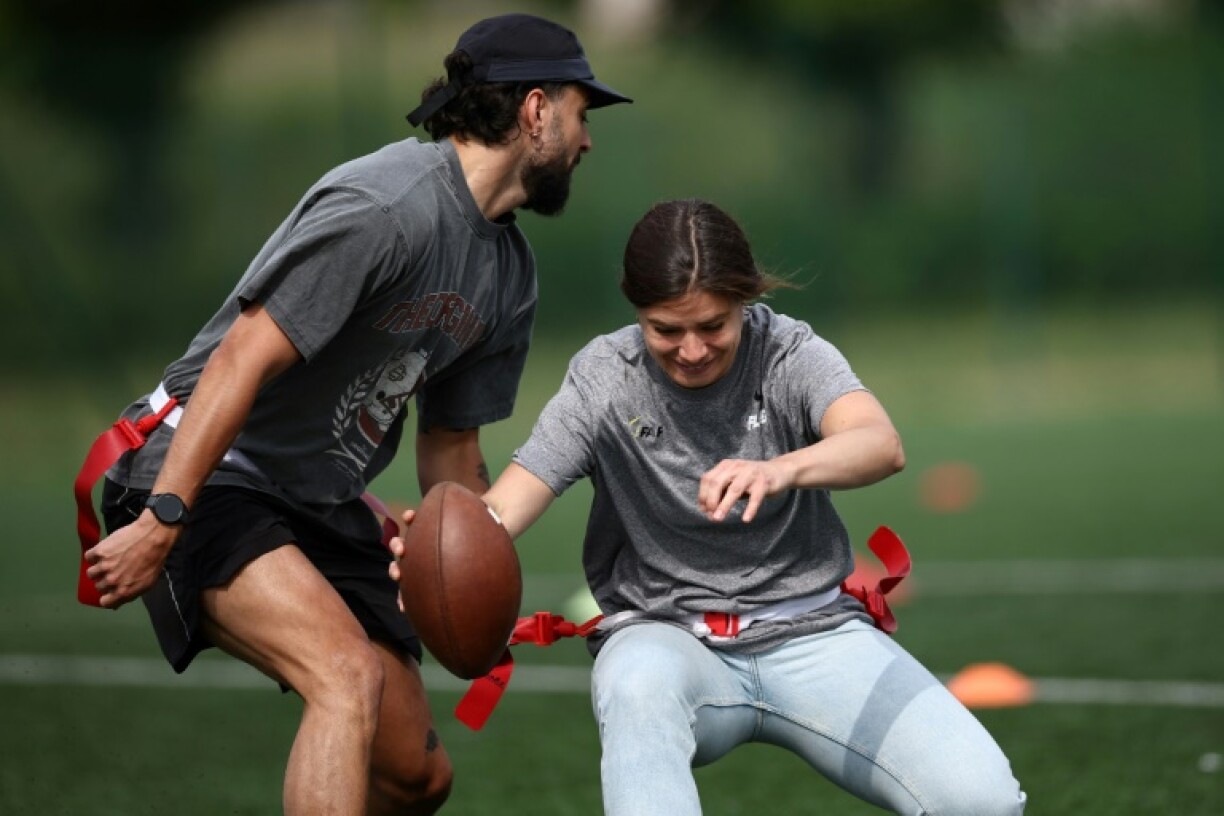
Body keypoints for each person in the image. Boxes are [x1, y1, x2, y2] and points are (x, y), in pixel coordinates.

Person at [81, 12, 630, 815]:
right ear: (536, 110)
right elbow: (239, 358)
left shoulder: (509, 273)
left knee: (415, 776)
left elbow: (451, 450)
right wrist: (165, 515)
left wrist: (460, 548)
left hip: (313, 501)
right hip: (199, 468)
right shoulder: (387, 206)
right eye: (583, 115)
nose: (587, 142)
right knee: (343, 675)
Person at [396, 198, 1026, 814]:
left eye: (713, 326)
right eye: (666, 329)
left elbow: (879, 444)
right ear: (636, 311)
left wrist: (779, 469)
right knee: (635, 686)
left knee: (982, 800)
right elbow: (507, 504)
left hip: (815, 633)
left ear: (745, 303)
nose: (691, 349)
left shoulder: (787, 352)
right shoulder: (603, 377)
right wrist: (437, 558)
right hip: (666, 640)